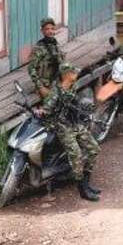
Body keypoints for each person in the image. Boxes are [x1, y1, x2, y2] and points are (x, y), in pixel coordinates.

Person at [34, 63, 101, 202]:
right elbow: (47, 109)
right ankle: (82, 189)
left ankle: (87, 182)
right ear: (65, 75)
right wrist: (41, 111)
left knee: (94, 149)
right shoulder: (55, 93)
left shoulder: (73, 87)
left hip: (74, 122)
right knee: (75, 154)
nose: (75, 74)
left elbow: (75, 102)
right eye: (73, 72)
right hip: (61, 126)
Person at [28, 17, 64, 98]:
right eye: (47, 29)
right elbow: (31, 69)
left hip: (56, 83)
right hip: (45, 86)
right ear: (42, 31)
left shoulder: (55, 44)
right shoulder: (39, 48)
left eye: (52, 28)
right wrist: (40, 87)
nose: (50, 31)